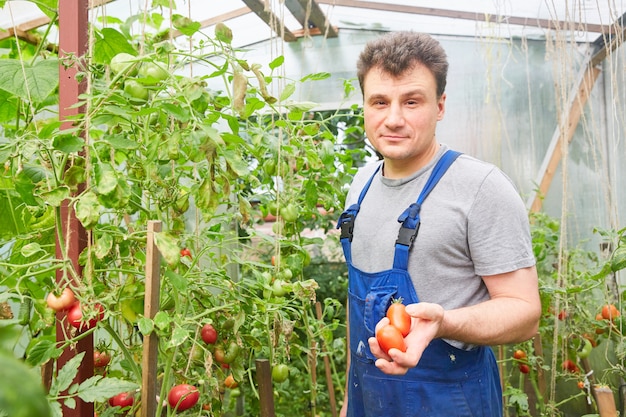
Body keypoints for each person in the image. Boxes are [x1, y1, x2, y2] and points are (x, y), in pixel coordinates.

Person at [336, 31, 541, 417]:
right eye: (379, 102)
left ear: (440, 106)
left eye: (411, 101)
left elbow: (524, 312)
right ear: (364, 104)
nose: (393, 119)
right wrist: (350, 405)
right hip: (370, 395)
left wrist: (444, 323)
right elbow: (361, 314)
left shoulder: (480, 188)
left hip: (449, 400)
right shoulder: (360, 186)